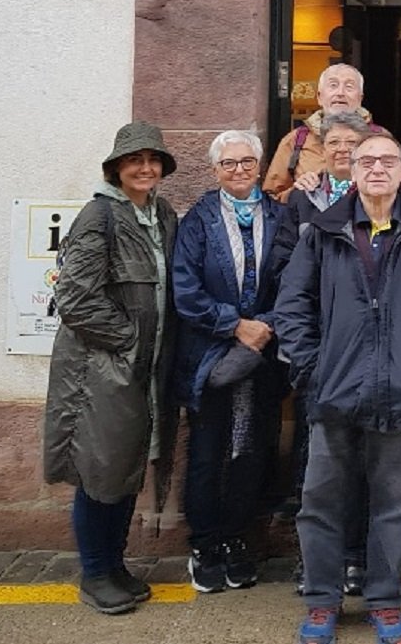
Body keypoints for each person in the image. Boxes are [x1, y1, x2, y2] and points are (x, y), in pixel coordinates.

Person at [275, 131, 401, 644]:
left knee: (393, 502)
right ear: (351, 171)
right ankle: (321, 601)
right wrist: (313, 368)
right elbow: (292, 305)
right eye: (367, 161)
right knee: (320, 501)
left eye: (388, 161)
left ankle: (384, 600)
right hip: (333, 390)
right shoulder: (322, 230)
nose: (378, 169)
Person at [42, 121, 180, 615]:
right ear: (117, 168)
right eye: (134, 160)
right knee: (99, 470)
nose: (145, 168)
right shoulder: (98, 217)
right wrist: (128, 343)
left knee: (124, 467)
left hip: (142, 369)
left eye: (153, 160)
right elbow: (75, 298)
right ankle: (95, 572)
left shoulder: (161, 214)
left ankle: (115, 564)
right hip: (102, 369)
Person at [171, 130, 286, 594]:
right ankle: (205, 542)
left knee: (251, 449)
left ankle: (237, 537)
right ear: (215, 170)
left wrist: (267, 324)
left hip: (265, 354)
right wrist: (235, 325)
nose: (239, 170)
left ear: (259, 166)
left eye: (246, 162)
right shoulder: (198, 221)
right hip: (211, 355)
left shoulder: (280, 216)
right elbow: (186, 290)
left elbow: (297, 281)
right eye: (229, 164)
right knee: (207, 451)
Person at [265, 111, 370, 595]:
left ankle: (354, 557)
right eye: (336, 142)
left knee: (364, 459)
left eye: (353, 142)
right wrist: (303, 351)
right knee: (316, 463)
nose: (343, 149)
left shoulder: (381, 198)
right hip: (318, 350)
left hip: (366, 350)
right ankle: (315, 563)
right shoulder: (302, 198)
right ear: (322, 149)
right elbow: (284, 266)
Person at [264, 64, 381, 201]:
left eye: (349, 87)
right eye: (333, 85)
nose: (340, 93)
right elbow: (272, 198)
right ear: (319, 97)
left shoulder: (379, 138)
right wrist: (297, 193)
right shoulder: (296, 140)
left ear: (360, 98)